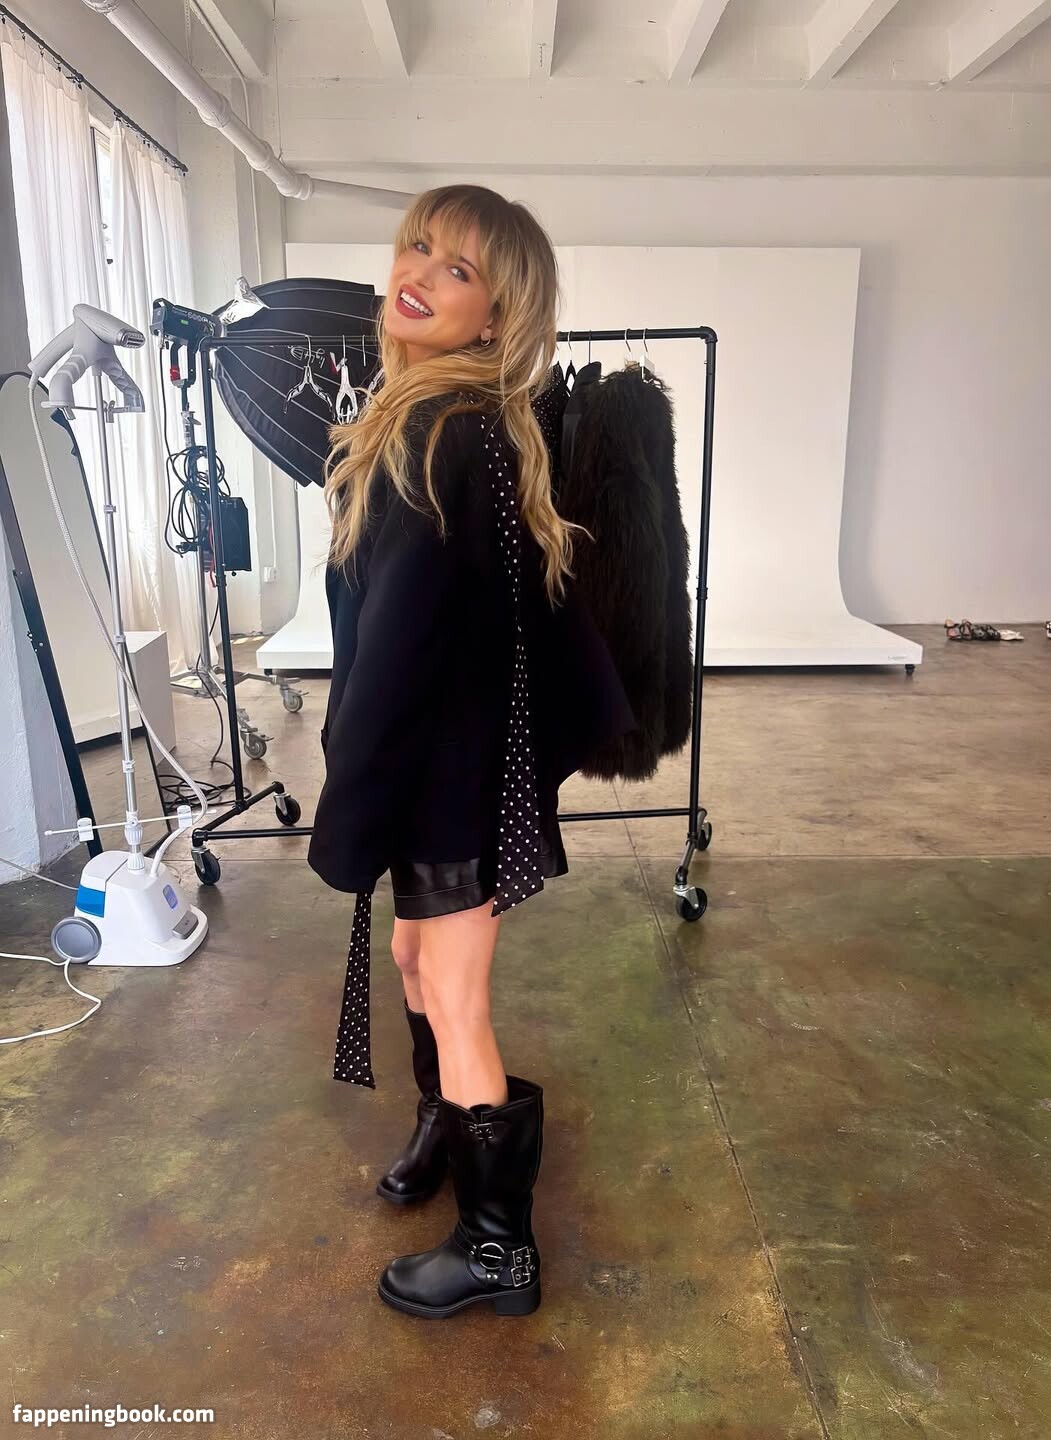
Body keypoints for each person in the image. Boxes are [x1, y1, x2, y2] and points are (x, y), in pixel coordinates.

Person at [307, 184, 637, 1319]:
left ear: (496, 316)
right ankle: (445, 1125)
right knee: (414, 960)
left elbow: (403, 641)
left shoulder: (445, 431)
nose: (421, 274)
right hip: (447, 760)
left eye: (459, 269)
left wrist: (354, 785)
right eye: (418, 247)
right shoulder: (418, 420)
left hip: (451, 772)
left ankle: (499, 1255)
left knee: (453, 993)